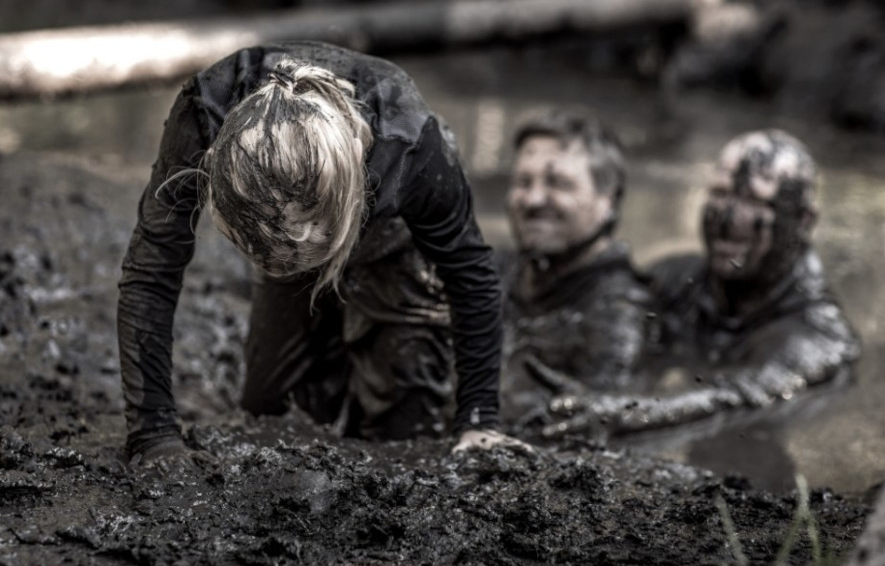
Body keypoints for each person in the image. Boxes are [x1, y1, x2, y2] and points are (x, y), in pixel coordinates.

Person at [117, 41, 524, 465]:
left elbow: (471, 273)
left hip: (396, 240)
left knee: (403, 434)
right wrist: (154, 434)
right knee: (268, 411)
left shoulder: (412, 149)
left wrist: (479, 420)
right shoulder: (206, 111)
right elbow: (151, 270)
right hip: (282, 223)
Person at [543, 129, 860, 438]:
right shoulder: (678, 278)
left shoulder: (819, 333)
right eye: (720, 193)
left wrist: (630, 411)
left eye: (753, 200)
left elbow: (734, 396)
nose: (727, 218)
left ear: (803, 221)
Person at [498, 109, 652, 425]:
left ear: (607, 201)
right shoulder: (496, 270)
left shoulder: (618, 314)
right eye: (523, 182)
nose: (532, 200)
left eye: (557, 184)